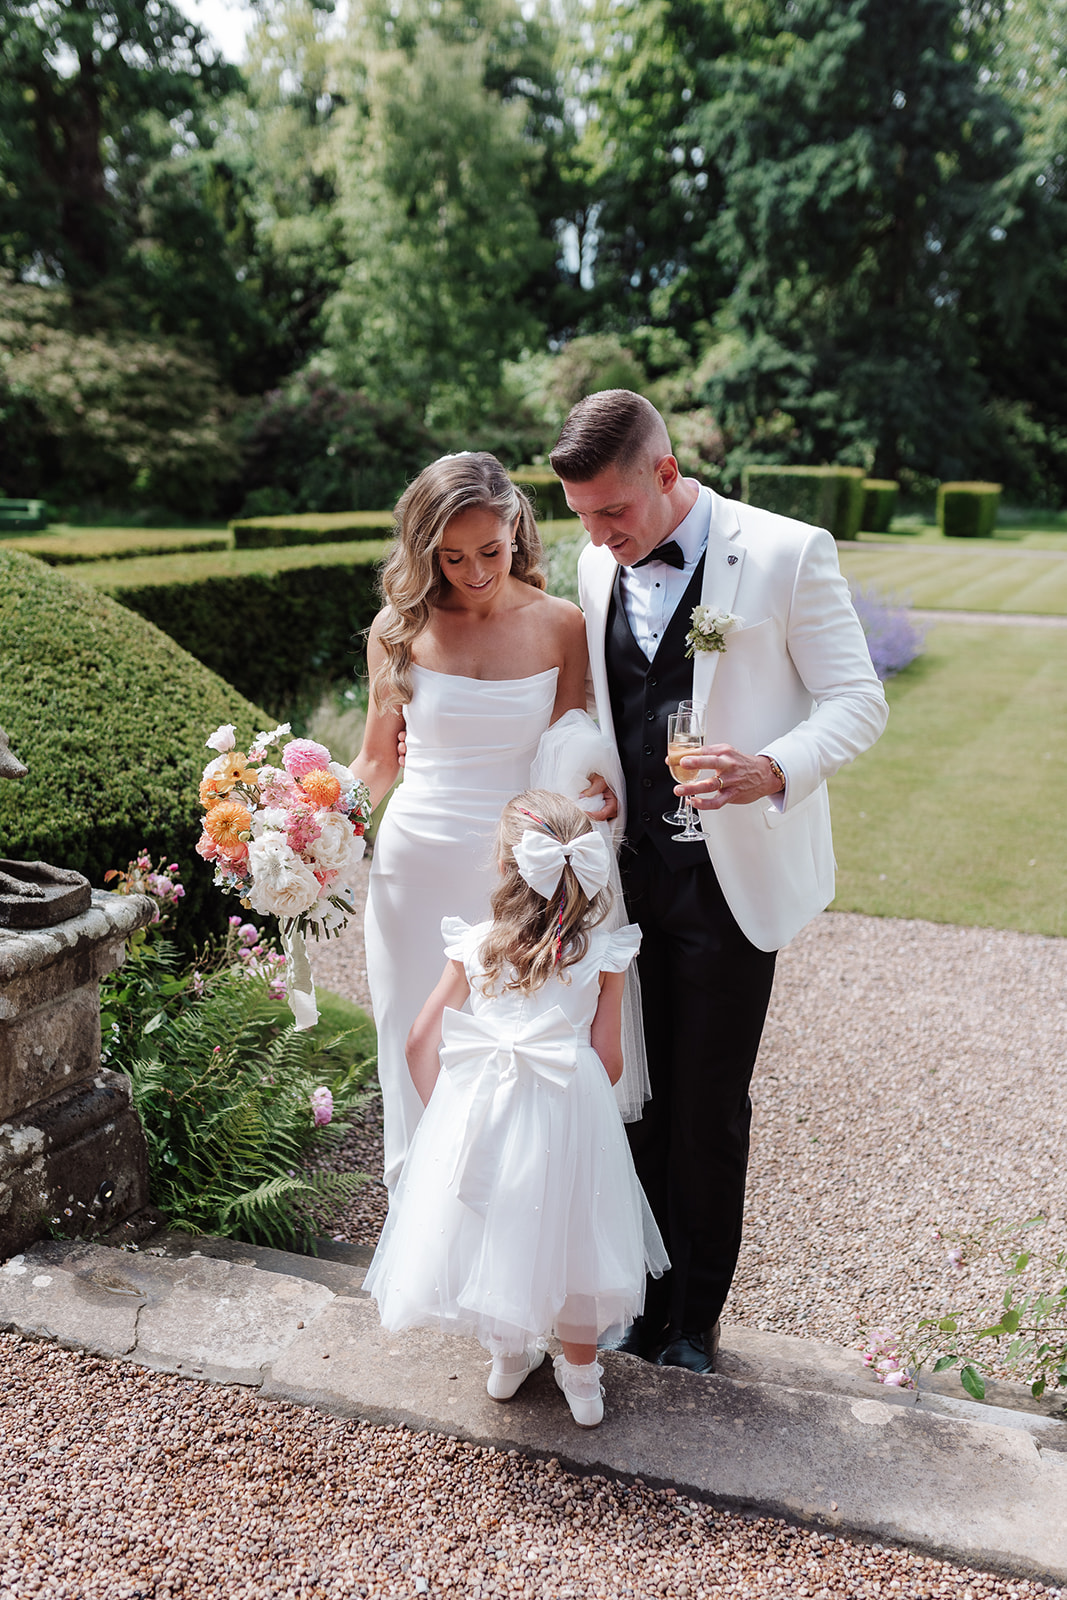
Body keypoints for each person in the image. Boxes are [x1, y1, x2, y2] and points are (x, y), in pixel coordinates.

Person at [548, 390, 889, 1374]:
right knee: (627, 1099)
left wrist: (772, 768)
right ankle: (632, 1297)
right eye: (582, 517)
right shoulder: (590, 559)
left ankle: (692, 1322)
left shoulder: (785, 552)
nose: (600, 535)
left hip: (728, 880)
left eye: (613, 512)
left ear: (666, 473)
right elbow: (605, 706)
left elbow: (855, 701)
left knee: (704, 1104)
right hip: (624, 881)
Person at [348, 452, 612, 1195]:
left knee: (505, 1042)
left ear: (516, 531)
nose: (472, 571)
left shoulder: (563, 626)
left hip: (512, 871)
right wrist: (311, 829)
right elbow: (375, 762)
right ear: (424, 550)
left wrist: (601, 790)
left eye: (489, 552)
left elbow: (574, 751)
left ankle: (503, 1220)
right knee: (410, 1037)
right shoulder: (396, 629)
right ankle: (416, 1212)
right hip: (412, 864)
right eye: (451, 556)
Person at [362, 789, 669, 1428]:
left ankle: (507, 1360)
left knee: (499, 1226)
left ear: (506, 868)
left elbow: (421, 1039)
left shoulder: (476, 946)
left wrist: (443, 1111)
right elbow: (609, 1060)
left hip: (485, 1106)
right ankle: (583, 1381)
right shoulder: (602, 954)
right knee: (573, 1231)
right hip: (567, 1105)